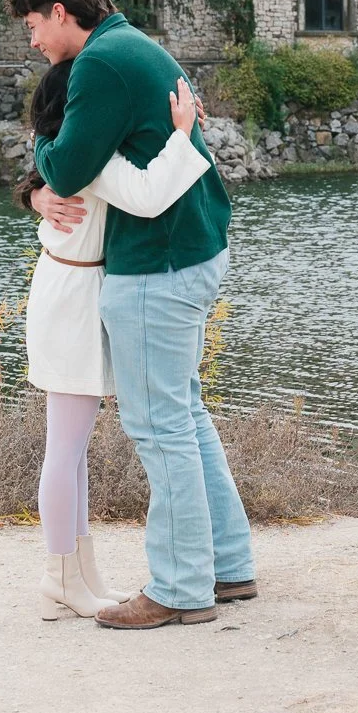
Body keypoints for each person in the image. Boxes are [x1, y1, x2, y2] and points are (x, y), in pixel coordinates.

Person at [9, 0, 255, 630]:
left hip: (156, 265)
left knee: (160, 425)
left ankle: (180, 588)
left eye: (33, 26)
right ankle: (228, 564)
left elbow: (67, 167)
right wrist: (38, 188)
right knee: (185, 414)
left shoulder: (99, 64)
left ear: (60, 12)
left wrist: (41, 149)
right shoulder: (133, 46)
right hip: (191, 249)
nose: (33, 41)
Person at [17, 50, 211, 620]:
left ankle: (81, 573)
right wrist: (182, 134)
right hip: (71, 301)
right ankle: (60, 576)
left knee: (72, 451)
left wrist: (34, 186)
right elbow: (149, 194)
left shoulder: (69, 159)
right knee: (65, 450)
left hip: (70, 291)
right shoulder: (88, 163)